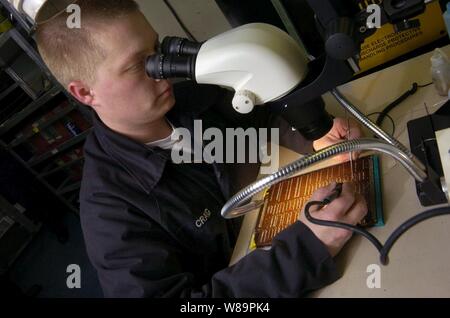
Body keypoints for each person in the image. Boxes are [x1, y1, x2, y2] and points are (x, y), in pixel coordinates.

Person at [35, 0, 366, 297]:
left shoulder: (191, 98)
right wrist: (305, 250)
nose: (162, 69)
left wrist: (314, 134)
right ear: (84, 93)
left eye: (156, 49)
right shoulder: (110, 212)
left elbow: (263, 115)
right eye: (138, 65)